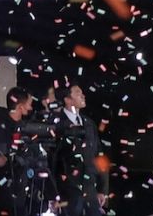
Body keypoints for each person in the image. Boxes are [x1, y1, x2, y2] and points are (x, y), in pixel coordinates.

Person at [0, 87, 49, 216]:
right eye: (29, 105)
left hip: (20, 194)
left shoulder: (26, 129)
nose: (31, 109)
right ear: (20, 106)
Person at [52, 83, 108, 216]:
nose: (83, 95)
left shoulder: (89, 124)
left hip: (90, 190)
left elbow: (99, 155)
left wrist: (102, 189)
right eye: (77, 93)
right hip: (67, 191)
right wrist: (53, 194)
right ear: (67, 99)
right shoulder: (57, 124)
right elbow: (53, 161)